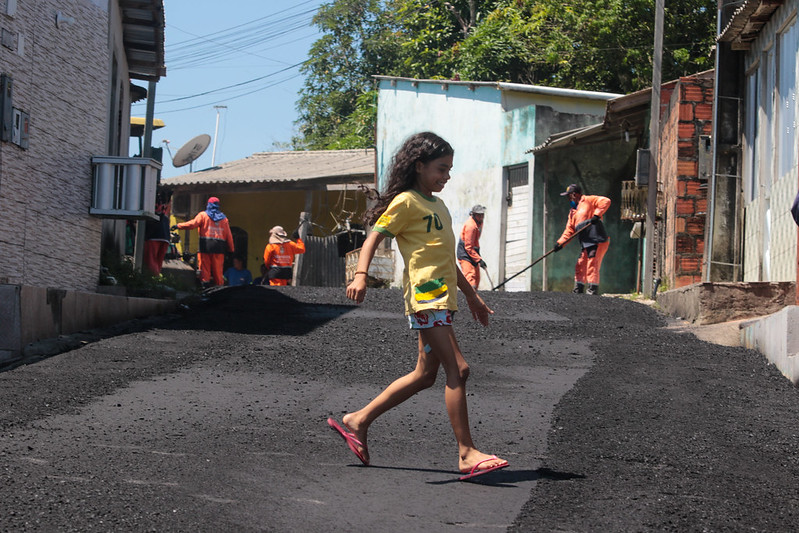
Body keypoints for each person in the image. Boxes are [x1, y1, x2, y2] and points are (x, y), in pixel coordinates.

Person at [329, 131, 508, 481]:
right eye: (441, 168)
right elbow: (373, 238)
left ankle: (357, 420)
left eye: (450, 170)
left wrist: (473, 297)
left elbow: (445, 258)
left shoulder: (438, 206)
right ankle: (467, 454)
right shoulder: (406, 202)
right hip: (426, 300)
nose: (447, 176)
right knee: (458, 370)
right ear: (419, 166)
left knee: (425, 375)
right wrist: (361, 276)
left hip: (444, 299)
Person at [553, 183, 610, 295]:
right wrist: (560, 243)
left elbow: (606, 201)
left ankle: (592, 291)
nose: (568, 198)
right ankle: (578, 290)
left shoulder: (588, 200)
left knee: (592, 264)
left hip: (597, 240)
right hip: (586, 243)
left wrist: (596, 215)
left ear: (574, 195)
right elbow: (569, 231)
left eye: (568, 196)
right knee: (580, 264)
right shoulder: (572, 212)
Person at [173, 196, 235, 288]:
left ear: (208, 205)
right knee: (218, 273)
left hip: (205, 247)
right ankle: (219, 291)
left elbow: (192, 224)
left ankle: (204, 290)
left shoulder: (203, 215)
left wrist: (178, 226)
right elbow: (229, 236)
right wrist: (231, 250)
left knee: (205, 271)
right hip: (219, 249)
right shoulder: (224, 219)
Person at [143, 189, 173, 275]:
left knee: (151, 261)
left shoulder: (148, 198)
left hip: (153, 234)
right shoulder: (167, 200)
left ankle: (153, 281)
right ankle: (157, 279)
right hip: (165, 235)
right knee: (158, 262)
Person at [456, 204, 486, 289]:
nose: (481, 217)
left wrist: (478, 256)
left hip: (473, 252)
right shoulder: (471, 226)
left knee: (477, 278)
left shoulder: (480, 223)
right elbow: (468, 247)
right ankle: (469, 299)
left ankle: (475, 298)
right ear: (473, 215)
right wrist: (479, 260)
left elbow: (475, 242)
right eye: (479, 215)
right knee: (470, 279)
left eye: (482, 215)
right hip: (465, 253)